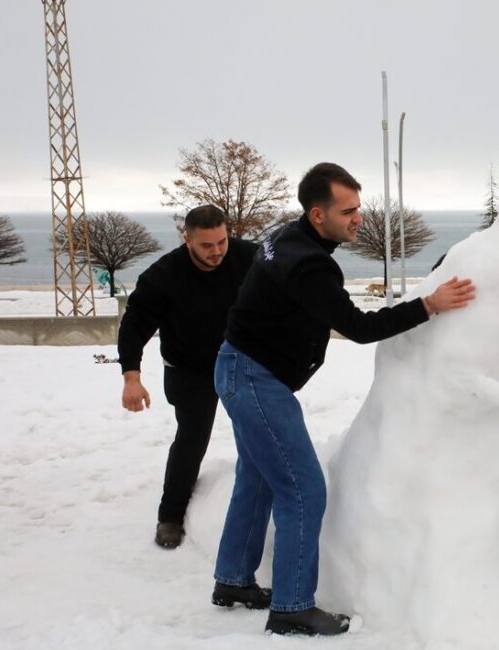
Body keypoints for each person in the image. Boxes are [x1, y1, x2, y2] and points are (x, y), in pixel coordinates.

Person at [210, 162, 475, 636]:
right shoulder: (309, 264)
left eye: (358, 207)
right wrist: (429, 305)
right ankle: (292, 607)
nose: (358, 218)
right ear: (317, 214)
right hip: (254, 378)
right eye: (348, 210)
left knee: (257, 478)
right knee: (303, 489)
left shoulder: (286, 238)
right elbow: (358, 327)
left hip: (239, 367)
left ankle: (233, 581)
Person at [117, 205, 257, 550]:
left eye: (222, 242)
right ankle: (171, 516)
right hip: (188, 369)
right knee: (192, 438)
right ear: (187, 240)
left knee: (260, 428)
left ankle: (263, 498)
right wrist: (131, 377)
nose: (217, 252)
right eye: (207, 245)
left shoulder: (250, 257)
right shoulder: (163, 275)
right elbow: (134, 327)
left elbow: (288, 284)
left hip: (240, 360)